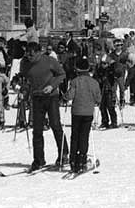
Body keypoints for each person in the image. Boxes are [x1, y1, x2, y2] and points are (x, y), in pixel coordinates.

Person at [24, 42, 68, 171]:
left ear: (39, 52)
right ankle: (38, 159)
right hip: (36, 97)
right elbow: (26, 80)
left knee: (55, 125)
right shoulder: (25, 63)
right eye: (28, 54)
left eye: (32, 54)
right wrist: (24, 91)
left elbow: (62, 74)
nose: (30, 56)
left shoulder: (50, 61)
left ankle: (63, 154)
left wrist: (52, 85)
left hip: (51, 97)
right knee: (37, 129)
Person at [66, 56, 100, 173]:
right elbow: (98, 98)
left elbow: (70, 96)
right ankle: (82, 159)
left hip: (76, 112)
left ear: (77, 68)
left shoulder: (75, 81)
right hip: (88, 112)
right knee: (84, 136)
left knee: (75, 135)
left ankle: (73, 160)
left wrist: (65, 95)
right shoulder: (94, 82)